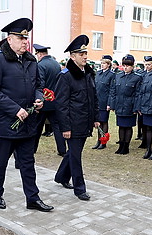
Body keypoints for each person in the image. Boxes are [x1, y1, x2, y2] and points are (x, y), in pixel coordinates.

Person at [0, 18, 53, 212]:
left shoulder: (31, 61)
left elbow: (39, 85)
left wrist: (39, 99)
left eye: (26, 38)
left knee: (28, 162)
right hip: (6, 123)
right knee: (1, 162)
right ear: (9, 39)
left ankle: (32, 198)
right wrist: (15, 109)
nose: (25, 42)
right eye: (20, 38)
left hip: (28, 122)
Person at [54, 34, 99, 201]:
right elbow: (61, 104)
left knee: (74, 153)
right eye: (81, 54)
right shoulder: (65, 76)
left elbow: (93, 97)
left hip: (85, 122)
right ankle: (80, 188)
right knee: (75, 156)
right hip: (72, 125)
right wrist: (65, 128)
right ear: (72, 56)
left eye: (85, 53)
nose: (85, 57)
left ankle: (61, 177)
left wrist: (96, 117)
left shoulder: (88, 73)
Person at [32, 43, 66, 156]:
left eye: (37, 54)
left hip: (43, 102)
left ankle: (32, 149)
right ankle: (62, 150)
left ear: (40, 54)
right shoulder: (56, 64)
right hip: (54, 100)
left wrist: (39, 99)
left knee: (37, 127)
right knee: (57, 126)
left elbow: (40, 84)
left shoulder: (40, 65)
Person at [109, 54, 142, 154]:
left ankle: (126, 146)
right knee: (121, 126)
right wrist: (112, 104)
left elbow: (138, 94)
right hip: (120, 104)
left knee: (128, 127)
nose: (126, 67)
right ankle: (121, 145)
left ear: (132, 66)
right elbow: (113, 91)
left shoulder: (137, 77)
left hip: (130, 105)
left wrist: (136, 108)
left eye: (128, 65)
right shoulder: (118, 76)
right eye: (124, 65)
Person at [92, 55, 114, 150]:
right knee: (98, 121)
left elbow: (112, 90)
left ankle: (103, 141)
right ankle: (99, 140)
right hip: (97, 101)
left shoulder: (111, 75)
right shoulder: (98, 73)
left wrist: (109, 103)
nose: (102, 65)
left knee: (104, 121)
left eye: (104, 63)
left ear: (108, 65)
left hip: (105, 101)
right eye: (101, 63)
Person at [136, 56, 152, 145]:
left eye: (149, 64)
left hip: (150, 102)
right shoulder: (142, 74)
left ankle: (147, 140)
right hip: (142, 101)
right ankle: (143, 138)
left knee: (149, 125)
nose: (147, 66)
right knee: (141, 122)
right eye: (145, 64)